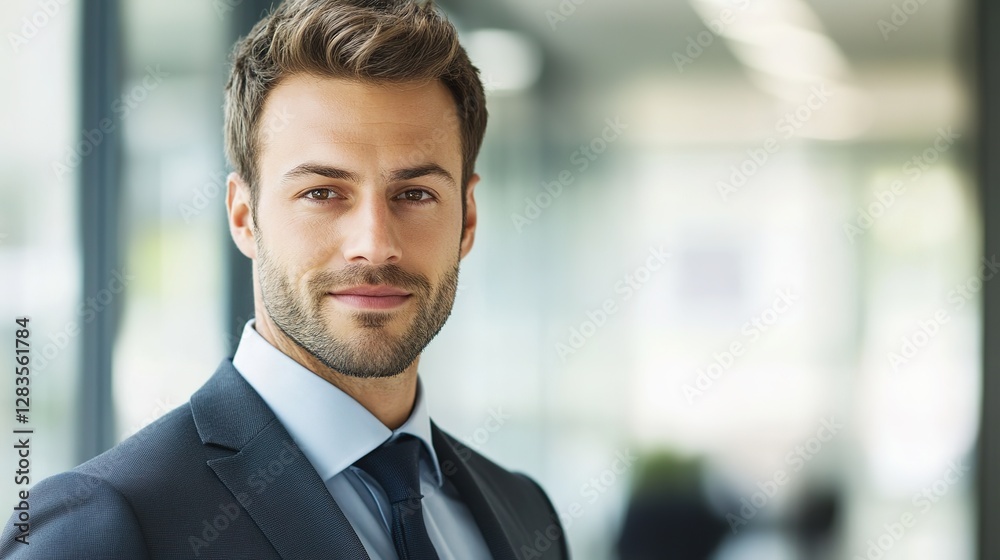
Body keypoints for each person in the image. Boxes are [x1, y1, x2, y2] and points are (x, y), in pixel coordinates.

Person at [0, 1, 568, 558]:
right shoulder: (106, 523)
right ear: (244, 217)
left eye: (415, 194)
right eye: (321, 193)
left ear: (466, 219)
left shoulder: (524, 514)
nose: (374, 243)